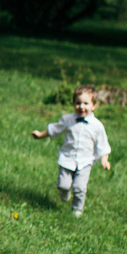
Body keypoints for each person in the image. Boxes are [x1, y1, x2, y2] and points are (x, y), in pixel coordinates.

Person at [31, 85, 111, 217]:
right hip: (67, 158)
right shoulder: (68, 119)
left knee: (79, 188)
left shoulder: (97, 126)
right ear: (73, 103)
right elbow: (54, 129)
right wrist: (40, 135)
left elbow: (102, 145)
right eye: (78, 103)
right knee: (63, 185)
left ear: (94, 106)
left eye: (86, 103)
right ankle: (65, 191)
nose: (81, 107)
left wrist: (104, 160)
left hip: (85, 161)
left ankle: (77, 209)